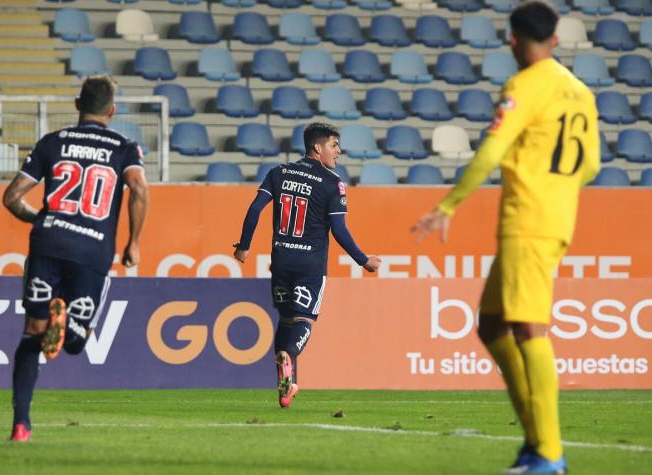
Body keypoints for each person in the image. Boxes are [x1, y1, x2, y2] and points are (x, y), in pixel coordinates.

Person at [411, 2, 600, 473]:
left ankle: (550, 453)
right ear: (555, 40)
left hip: (528, 221)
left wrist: (449, 204)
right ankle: (537, 442)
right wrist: (556, 188)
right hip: (555, 218)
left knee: (529, 328)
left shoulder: (523, 86)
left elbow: (492, 149)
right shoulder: (581, 92)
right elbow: (592, 164)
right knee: (492, 325)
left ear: (512, 40)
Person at [2, 76, 148, 442]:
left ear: (76, 104)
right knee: (75, 343)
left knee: (31, 335)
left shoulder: (53, 142)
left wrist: (43, 219)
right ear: (111, 111)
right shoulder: (124, 147)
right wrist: (134, 243)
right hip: (92, 250)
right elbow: (139, 189)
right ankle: (66, 323)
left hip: (48, 243)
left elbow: (11, 197)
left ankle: (21, 424)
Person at [233, 122, 381, 408]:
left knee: (287, 319)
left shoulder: (279, 172)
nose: (339, 151)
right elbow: (339, 229)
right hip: (310, 263)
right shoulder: (332, 182)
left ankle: (285, 386)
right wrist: (363, 260)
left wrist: (244, 246)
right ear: (318, 147)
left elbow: (254, 209)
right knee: (305, 319)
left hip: (281, 261)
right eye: (334, 145)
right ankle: (287, 355)